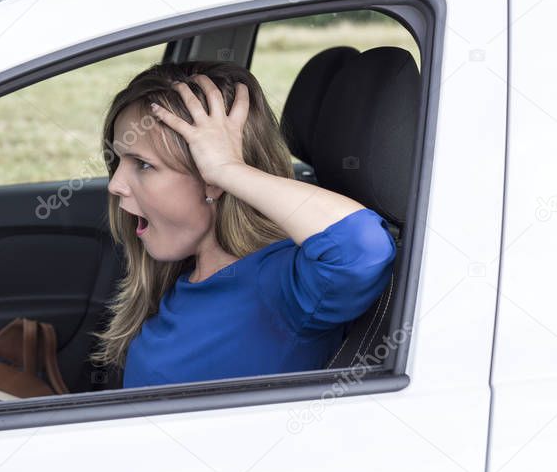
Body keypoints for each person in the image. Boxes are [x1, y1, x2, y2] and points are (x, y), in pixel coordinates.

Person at [90, 60, 396, 388]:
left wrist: (227, 169)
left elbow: (362, 248)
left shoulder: (278, 285)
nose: (115, 184)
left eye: (143, 165)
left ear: (211, 181)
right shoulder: (182, 279)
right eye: (118, 161)